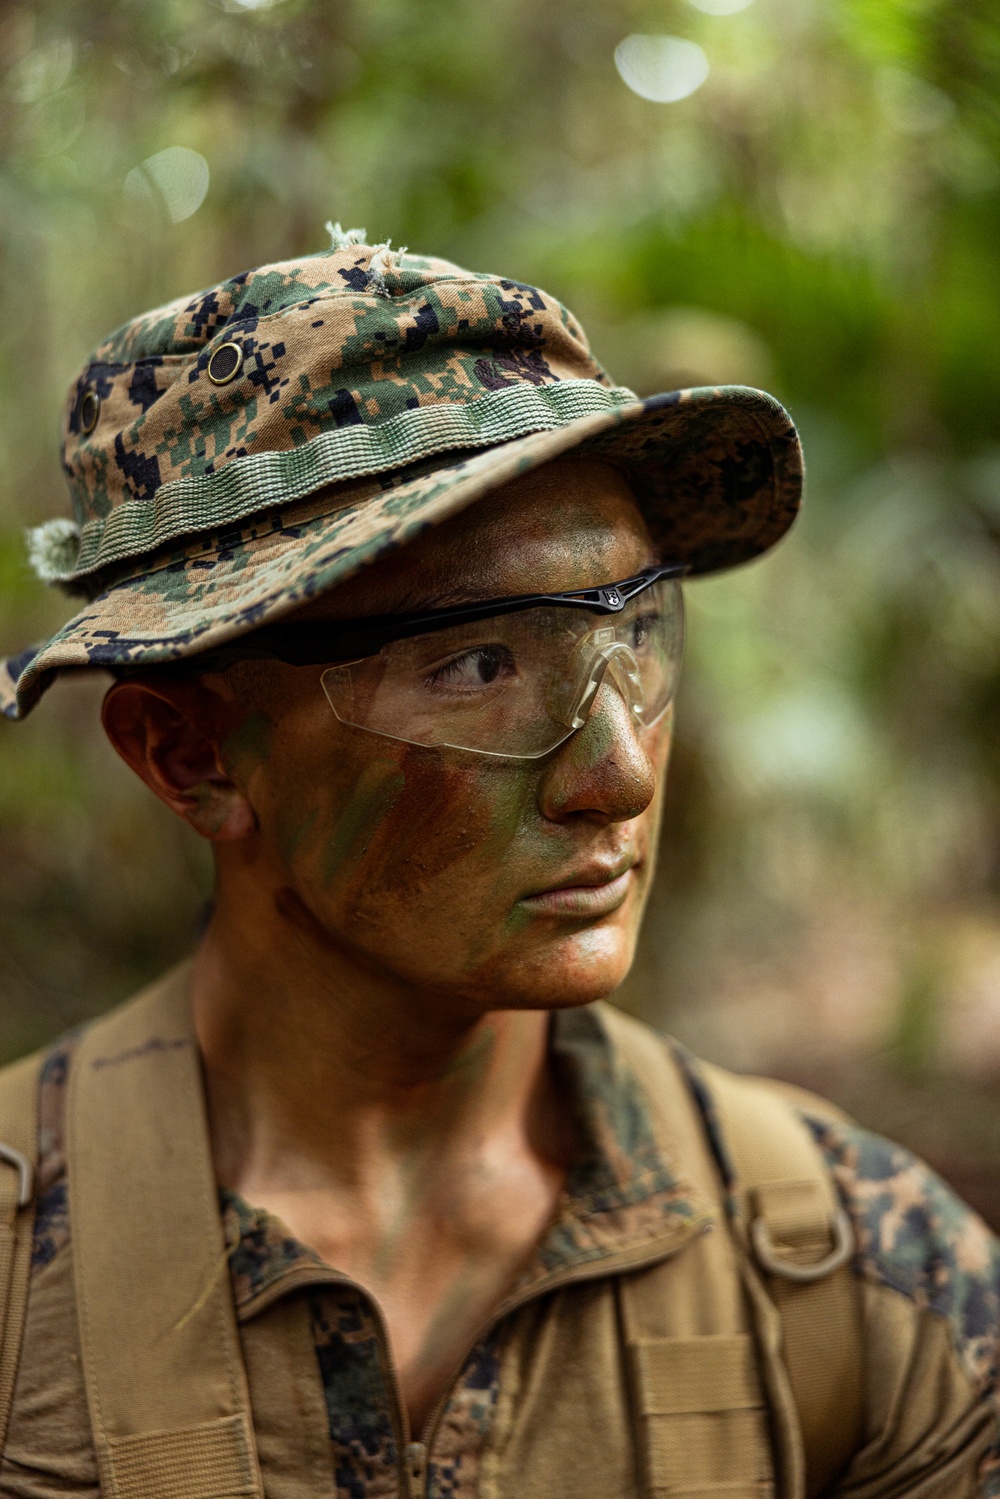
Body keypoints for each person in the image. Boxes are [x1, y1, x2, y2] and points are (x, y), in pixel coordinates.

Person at [0, 228, 997, 1499]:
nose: (621, 775)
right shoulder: (24, 1281)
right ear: (188, 752)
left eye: (637, 631)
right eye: (475, 665)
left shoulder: (847, 1265)